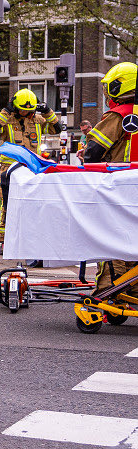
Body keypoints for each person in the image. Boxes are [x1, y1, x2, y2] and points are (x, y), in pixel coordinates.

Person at [82, 61, 138, 292]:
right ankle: (133, 289)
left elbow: (93, 151)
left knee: (111, 239)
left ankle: (109, 290)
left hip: (118, 187)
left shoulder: (118, 115)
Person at [0, 88, 63, 243]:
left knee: (33, 203)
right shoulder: (7, 120)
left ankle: (29, 238)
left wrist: (48, 112)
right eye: (22, 110)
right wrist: (6, 112)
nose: (26, 113)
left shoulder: (37, 120)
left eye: (29, 110)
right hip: (10, 169)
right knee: (8, 204)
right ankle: (5, 240)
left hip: (32, 168)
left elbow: (56, 129)